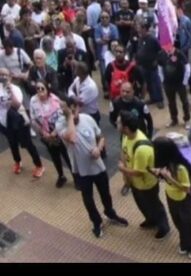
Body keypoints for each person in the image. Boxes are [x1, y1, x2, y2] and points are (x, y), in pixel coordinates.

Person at [57, 97, 129, 238]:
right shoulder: (61, 124)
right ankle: (97, 222)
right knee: (88, 199)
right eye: (68, 109)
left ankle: (110, 213)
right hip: (81, 171)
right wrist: (69, 117)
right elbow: (71, 137)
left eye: (74, 107)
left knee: (105, 194)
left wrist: (98, 148)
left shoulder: (87, 118)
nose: (73, 111)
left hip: (98, 166)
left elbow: (100, 136)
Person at [151, 137, 191, 260]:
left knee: (189, 223)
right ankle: (185, 243)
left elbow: (186, 188)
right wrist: (158, 173)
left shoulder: (180, 168)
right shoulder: (165, 164)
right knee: (178, 221)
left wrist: (170, 178)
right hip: (171, 196)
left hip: (182, 200)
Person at [118, 111, 171, 238]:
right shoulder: (126, 136)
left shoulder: (141, 148)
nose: (116, 123)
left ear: (125, 127)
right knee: (141, 204)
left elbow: (139, 172)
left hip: (146, 184)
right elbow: (124, 151)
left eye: (119, 122)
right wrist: (126, 175)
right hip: (135, 182)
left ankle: (163, 226)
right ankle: (150, 220)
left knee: (154, 205)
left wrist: (122, 169)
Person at [0, 67, 44, 177]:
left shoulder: (15, 88)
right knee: (12, 143)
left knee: (28, 144)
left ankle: (39, 165)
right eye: (1, 75)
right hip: (5, 122)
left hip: (19, 121)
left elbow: (17, 105)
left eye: (5, 75)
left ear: (10, 77)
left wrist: (9, 89)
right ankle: (17, 162)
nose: (3, 77)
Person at [29, 79, 72, 187]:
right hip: (46, 136)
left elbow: (62, 117)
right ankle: (61, 176)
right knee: (55, 156)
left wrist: (55, 131)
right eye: (37, 89)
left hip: (59, 133)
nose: (39, 91)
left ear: (47, 89)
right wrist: (43, 132)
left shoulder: (55, 99)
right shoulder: (33, 101)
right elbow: (33, 119)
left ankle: (76, 176)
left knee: (66, 155)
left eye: (42, 88)